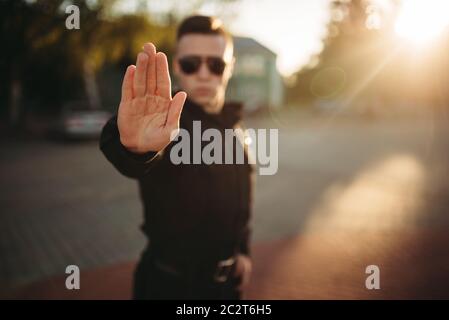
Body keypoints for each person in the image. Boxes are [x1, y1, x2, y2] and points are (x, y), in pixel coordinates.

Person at [100, 15, 253, 300]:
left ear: (230, 68)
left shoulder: (235, 126)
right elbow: (128, 153)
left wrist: (243, 251)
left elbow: (241, 202)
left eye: (216, 64)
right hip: (169, 287)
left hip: (227, 289)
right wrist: (135, 148)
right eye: (191, 64)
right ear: (176, 66)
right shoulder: (164, 122)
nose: (204, 74)